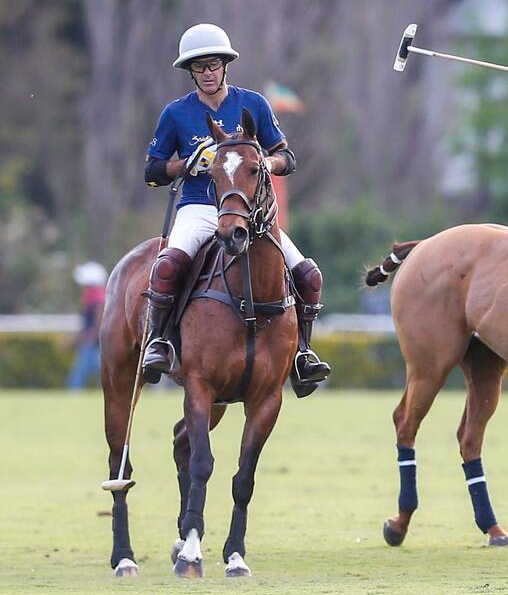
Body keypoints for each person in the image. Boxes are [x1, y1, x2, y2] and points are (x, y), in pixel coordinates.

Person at [142, 23, 330, 396]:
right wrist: (187, 164)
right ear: (190, 72)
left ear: (225, 65)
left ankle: (302, 353)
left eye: (213, 64)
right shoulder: (176, 114)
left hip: (251, 213)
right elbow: (152, 171)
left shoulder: (254, 104)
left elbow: (287, 157)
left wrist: (263, 162)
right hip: (199, 207)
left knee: (308, 275)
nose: (208, 72)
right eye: (199, 67)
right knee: (167, 265)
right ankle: (159, 341)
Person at [66, 261, 107, 390]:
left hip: (92, 342)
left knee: (79, 373)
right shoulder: (92, 297)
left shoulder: (96, 299)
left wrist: (84, 339)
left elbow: (97, 323)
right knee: (94, 369)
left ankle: (73, 394)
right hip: (92, 342)